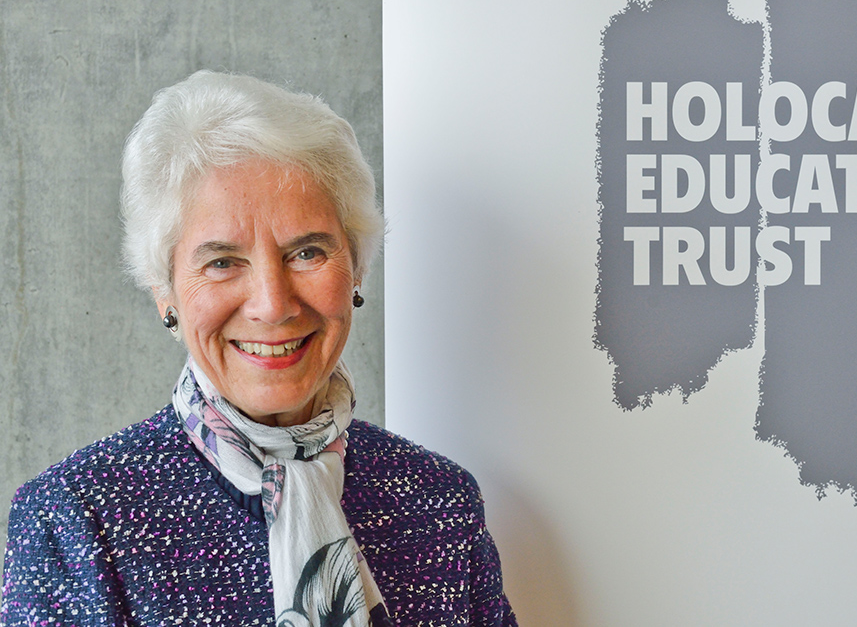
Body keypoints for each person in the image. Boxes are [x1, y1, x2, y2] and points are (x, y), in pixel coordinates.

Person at [0, 71, 518, 626]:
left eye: (307, 252)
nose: (273, 305)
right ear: (164, 291)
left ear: (357, 267)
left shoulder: (439, 503)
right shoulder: (77, 519)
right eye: (222, 262)